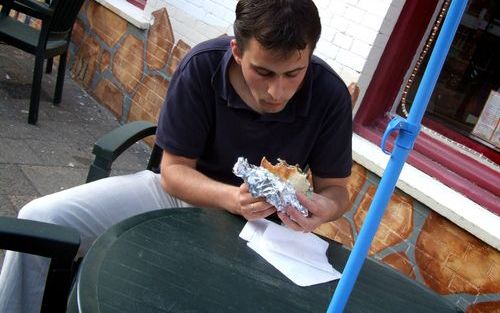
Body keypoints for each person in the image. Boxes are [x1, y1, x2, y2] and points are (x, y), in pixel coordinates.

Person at [0, 0, 352, 312]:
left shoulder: (330, 95)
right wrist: (233, 198)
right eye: (263, 72)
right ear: (237, 51)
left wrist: (325, 208)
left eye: (294, 74)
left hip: (265, 229)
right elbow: (173, 172)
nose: (278, 92)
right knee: (39, 219)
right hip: (178, 197)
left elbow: (335, 189)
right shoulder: (202, 66)